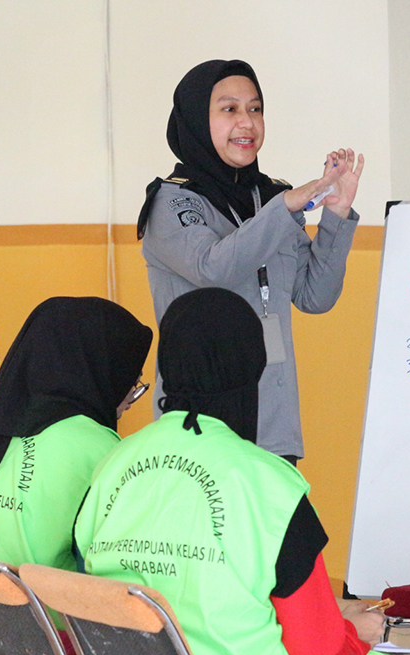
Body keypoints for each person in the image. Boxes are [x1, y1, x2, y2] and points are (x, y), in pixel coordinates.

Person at [74, 288, 410, 655]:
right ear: (249, 365)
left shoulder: (112, 464)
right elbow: (317, 654)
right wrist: (355, 634)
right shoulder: (272, 484)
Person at [137, 58, 364, 463]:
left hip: (273, 425)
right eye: (229, 109)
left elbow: (316, 296)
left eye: (255, 109)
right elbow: (214, 269)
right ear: (195, 119)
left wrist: (337, 214)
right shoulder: (172, 202)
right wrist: (286, 206)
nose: (247, 123)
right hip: (199, 430)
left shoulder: (271, 196)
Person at [0, 296, 152, 574]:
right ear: (97, 369)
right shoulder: (98, 447)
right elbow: (121, 565)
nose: (131, 395)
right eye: (129, 378)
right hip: (42, 616)